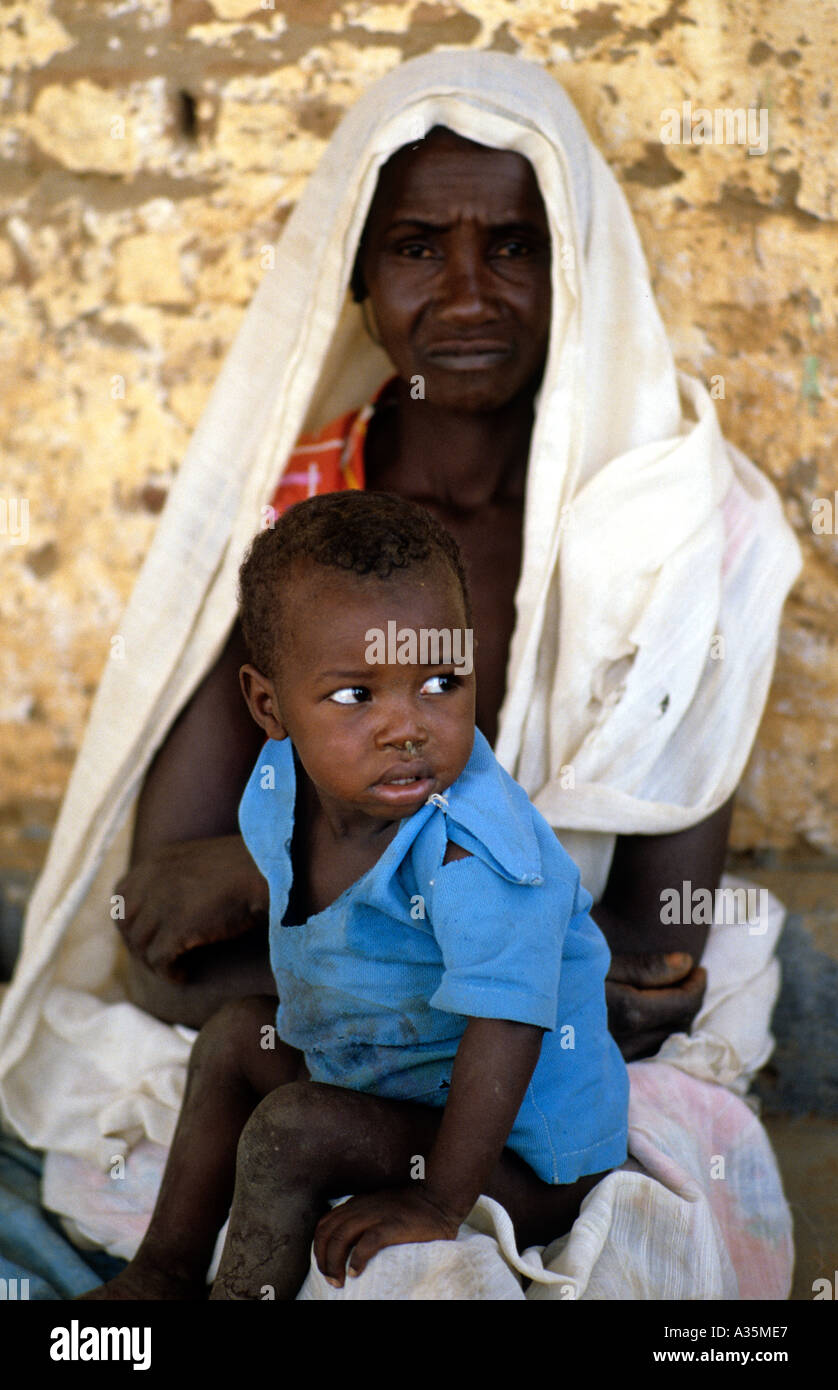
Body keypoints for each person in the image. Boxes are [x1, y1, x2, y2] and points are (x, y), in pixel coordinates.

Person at [0, 51, 799, 1298]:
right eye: (420, 246)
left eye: (516, 247)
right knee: (223, 1047)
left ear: (574, 269)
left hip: (527, 1030)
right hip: (386, 1007)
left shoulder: (677, 531)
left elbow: (648, 952)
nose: (470, 293)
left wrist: (310, 880)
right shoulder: (302, 526)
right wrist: (323, 908)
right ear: (360, 280)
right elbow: (161, 918)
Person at [80, 491, 629, 1300]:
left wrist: (438, 1199)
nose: (406, 726)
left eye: (441, 680)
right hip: (387, 1077)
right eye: (355, 696)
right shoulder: (279, 784)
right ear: (270, 707)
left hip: (519, 1153)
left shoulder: (472, 850)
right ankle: (160, 1272)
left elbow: (507, 1027)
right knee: (235, 1038)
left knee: (292, 1131)